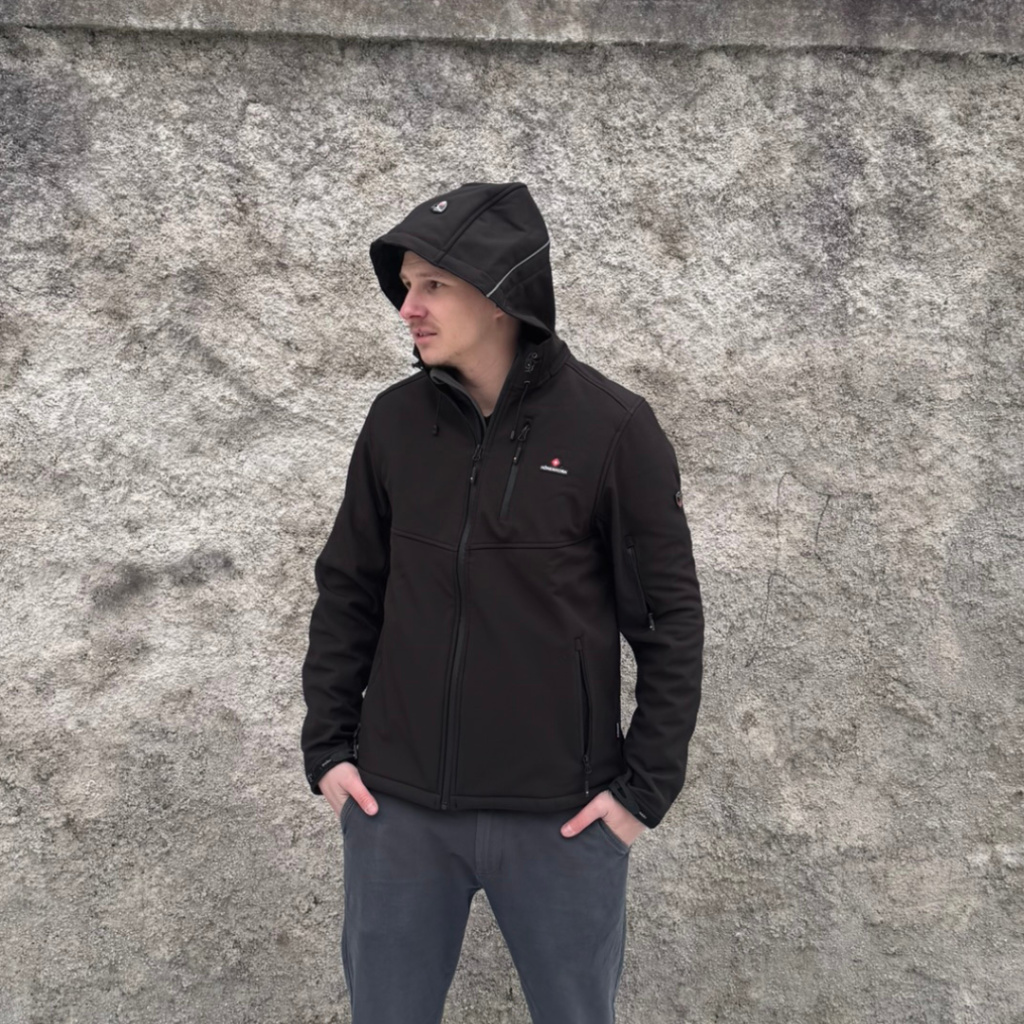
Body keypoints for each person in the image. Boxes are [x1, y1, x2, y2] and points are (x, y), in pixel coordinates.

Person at [300, 180, 704, 1024]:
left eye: (433, 285)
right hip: (399, 813)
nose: (408, 308)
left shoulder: (612, 429)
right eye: (405, 286)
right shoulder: (394, 424)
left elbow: (668, 624)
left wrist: (641, 795)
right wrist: (330, 749)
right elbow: (349, 589)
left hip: (561, 820)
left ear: (499, 293)